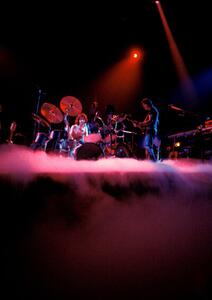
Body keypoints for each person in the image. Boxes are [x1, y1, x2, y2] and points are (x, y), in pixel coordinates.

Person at [136, 97, 160, 161]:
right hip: (150, 130)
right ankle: (150, 162)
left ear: (146, 104)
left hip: (150, 130)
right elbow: (155, 122)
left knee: (148, 146)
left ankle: (155, 161)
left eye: (143, 105)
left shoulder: (152, 110)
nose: (143, 106)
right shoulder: (152, 111)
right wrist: (140, 125)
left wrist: (140, 123)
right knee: (147, 147)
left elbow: (150, 121)